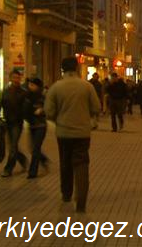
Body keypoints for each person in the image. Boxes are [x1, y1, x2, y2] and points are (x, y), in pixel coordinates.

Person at [45, 57, 101, 213]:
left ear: (62, 69)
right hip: (82, 133)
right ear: (76, 68)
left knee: (65, 163)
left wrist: (59, 118)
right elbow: (96, 107)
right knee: (82, 164)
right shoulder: (87, 86)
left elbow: (49, 112)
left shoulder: (56, 88)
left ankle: (66, 194)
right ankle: (81, 201)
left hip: (63, 133)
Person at [0, 70, 28, 177]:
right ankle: (23, 160)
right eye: (14, 77)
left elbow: (26, 108)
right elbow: (1, 104)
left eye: (17, 77)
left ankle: (8, 168)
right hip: (7, 122)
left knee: (13, 146)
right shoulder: (5, 91)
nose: (16, 79)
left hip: (17, 123)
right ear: (10, 78)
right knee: (12, 146)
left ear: (20, 79)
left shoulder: (23, 92)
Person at [23, 77, 48, 179]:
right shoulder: (27, 96)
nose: (30, 86)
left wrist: (42, 110)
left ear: (37, 86)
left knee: (36, 148)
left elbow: (49, 109)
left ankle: (33, 172)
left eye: (32, 85)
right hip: (31, 125)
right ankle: (43, 159)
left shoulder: (42, 97)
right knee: (32, 149)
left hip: (41, 126)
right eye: (29, 84)